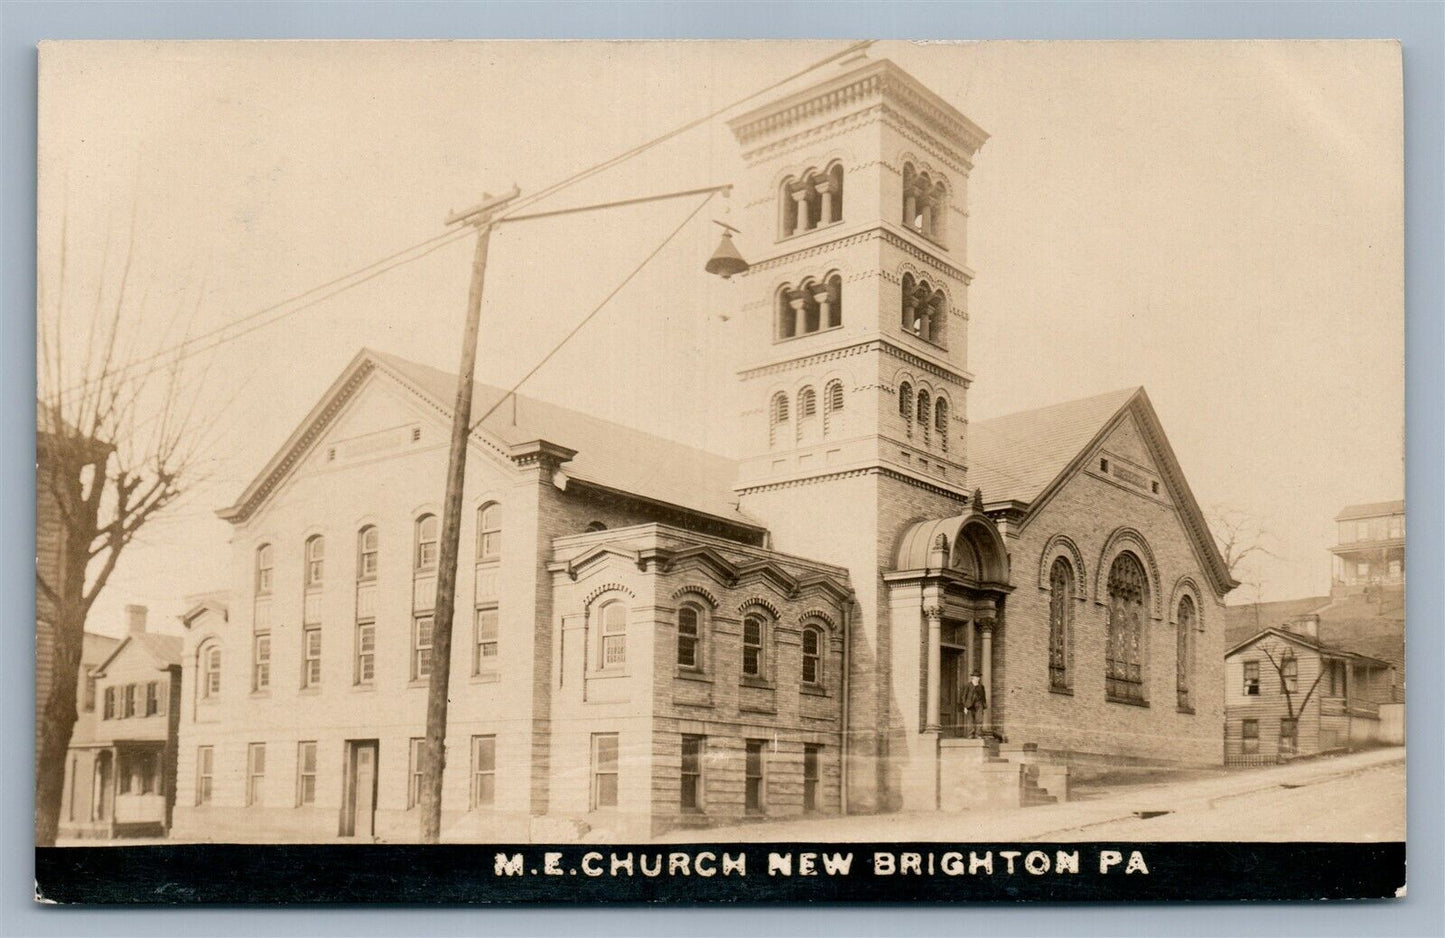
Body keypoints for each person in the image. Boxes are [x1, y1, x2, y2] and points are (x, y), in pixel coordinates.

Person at [960, 672, 987, 738]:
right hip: (969, 705)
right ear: (972, 678)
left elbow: (983, 696)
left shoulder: (981, 686)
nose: (977, 679)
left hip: (979, 704)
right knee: (970, 720)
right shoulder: (968, 685)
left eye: (978, 677)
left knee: (979, 720)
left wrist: (983, 705)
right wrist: (965, 706)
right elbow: (964, 696)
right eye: (976, 677)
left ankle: (978, 734)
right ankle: (970, 734)